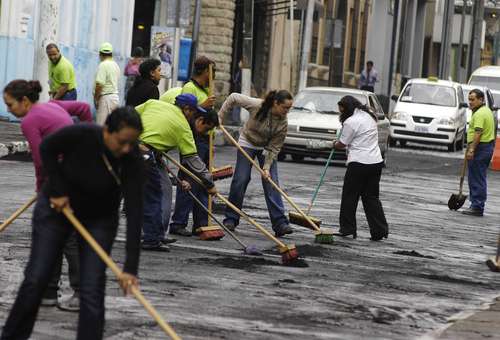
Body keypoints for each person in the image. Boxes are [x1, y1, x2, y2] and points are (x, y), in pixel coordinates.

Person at [0, 107, 144, 340]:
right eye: (122, 142)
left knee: (92, 289)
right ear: (108, 131)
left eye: (132, 143)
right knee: (37, 278)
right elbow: (46, 148)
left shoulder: (132, 159)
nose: (126, 149)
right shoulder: (83, 134)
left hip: (100, 220)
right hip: (56, 211)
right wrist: (57, 190)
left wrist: (130, 268)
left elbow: (136, 210)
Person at [2, 79, 92, 312]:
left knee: (69, 237)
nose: (8, 110)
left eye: (10, 105)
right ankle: (50, 292)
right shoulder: (54, 105)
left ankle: (82, 293)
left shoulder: (30, 120)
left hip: (64, 179)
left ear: (24, 101)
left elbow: (41, 161)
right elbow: (83, 109)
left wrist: (43, 188)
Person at [136, 94, 218, 251]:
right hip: (142, 153)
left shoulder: (153, 103)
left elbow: (130, 114)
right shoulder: (184, 127)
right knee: (153, 197)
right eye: (194, 112)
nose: (194, 116)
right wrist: (209, 183)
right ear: (186, 109)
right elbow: (193, 160)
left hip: (134, 148)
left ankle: (157, 234)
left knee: (163, 188)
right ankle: (151, 239)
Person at [217, 90, 294, 237]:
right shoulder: (257, 105)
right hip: (248, 141)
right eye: (285, 107)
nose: (287, 111)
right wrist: (220, 116)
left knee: (271, 182)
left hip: (266, 148)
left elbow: (274, 147)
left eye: (289, 108)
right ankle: (231, 219)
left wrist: (266, 168)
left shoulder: (283, 122)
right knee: (241, 179)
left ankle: (280, 223)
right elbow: (233, 97)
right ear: (275, 103)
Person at [164, 56, 216, 237]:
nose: (213, 76)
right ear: (204, 72)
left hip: (206, 139)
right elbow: (188, 114)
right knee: (189, 179)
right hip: (193, 139)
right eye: (212, 72)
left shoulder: (207, 89)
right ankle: (179, 222)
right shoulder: (190, 87)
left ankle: (201, 223)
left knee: (203, 180)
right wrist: (204, 105)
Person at [333, 95, 388, 240]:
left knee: (350, 197)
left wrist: (334, 143)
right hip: (375, 162)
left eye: (341, 111)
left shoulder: (350, 122)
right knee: (371, 197)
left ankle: (347, 228)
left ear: (346, 108)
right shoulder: (369, 116)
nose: (340, 114)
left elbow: (342, 143)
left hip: (358, 163)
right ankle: (379, 231)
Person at [462, 89, 496, 216]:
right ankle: (476, 204)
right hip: (485, 147)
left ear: (481, 100)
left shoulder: (480, 114)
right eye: (469, 99)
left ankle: (477, 206)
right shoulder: (486, 111)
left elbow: (478, 132)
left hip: (480, 148)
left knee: (477, 177)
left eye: (473, 99)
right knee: (477, 176)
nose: (470, 102)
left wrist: (471, 149)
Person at [94, 42, 120, 125]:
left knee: (101, 126)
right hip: (115, 98)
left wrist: (96, 99)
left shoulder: (103, 65)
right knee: (111, 126)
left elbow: (99, 85)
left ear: (100, 54)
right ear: (111, 54)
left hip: (105, 99)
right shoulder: (116, 65)